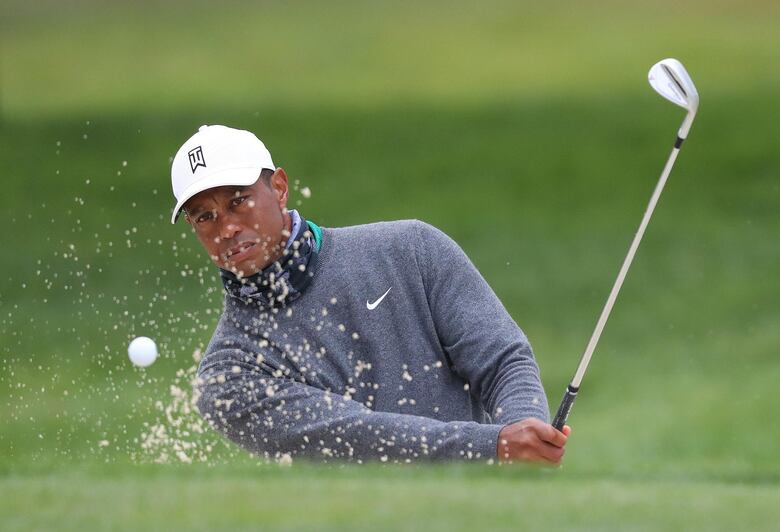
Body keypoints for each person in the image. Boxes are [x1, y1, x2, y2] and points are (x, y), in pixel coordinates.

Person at [170, 125, 571, 464]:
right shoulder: (228, 377)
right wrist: (493, 446)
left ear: (278, 187)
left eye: (238, 201)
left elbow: (502, 359)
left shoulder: (412, 248)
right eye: (205, 216)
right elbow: (354, 437)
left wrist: (526, 435)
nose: (225, 229)